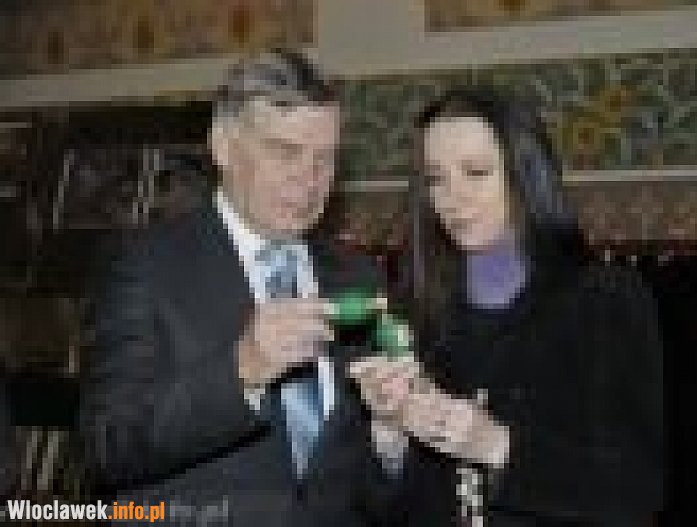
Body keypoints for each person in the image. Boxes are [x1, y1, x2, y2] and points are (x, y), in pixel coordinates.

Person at [80, 50, 396, 526]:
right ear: (223, 146)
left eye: (325, 159)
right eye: (285, 152)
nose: (309, 180)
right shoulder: (145, 266)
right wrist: (242, 371)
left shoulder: (358, 277)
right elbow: (108, 449)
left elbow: (362, 474)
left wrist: (392, 438)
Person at [349, 88, 663, 526]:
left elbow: (634, 492)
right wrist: (389, 435)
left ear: (525, 174)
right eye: (436, 178)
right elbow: (382, 510)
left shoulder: (603, 300)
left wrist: (497, 445)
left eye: (476, 172)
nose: (453, 197)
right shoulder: (411, 309)